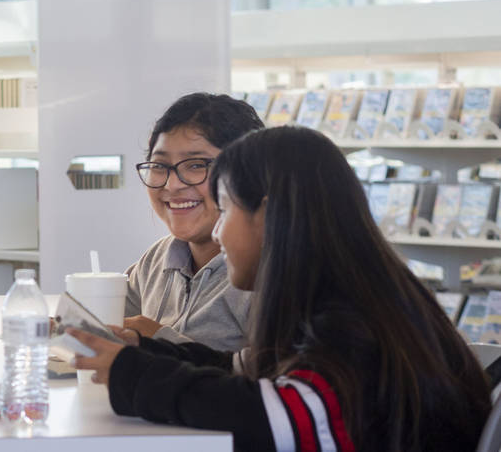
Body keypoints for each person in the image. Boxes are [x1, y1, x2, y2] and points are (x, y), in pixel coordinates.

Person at [71, 126, 492, 451]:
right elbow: (252, 369)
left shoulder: (352, 327)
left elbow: (276, 418)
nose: (218, 231)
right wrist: (149, 350)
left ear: (269, 216)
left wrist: (132, 373)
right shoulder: (353, 300)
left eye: (227, 208)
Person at [123, 92, 263, 352]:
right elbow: (109, 332)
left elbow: (266, 384)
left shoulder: (266, 272)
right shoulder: (156, 259)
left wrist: (160, 342)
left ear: (246, 173)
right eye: (159, 165)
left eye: (197, 165)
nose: (172, 184)